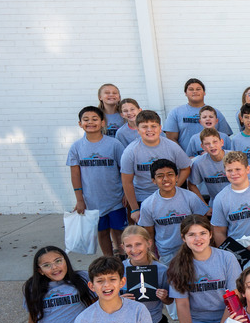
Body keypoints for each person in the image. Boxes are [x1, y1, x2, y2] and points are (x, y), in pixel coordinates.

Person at [167, 215, 238, 323]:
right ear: (183, 238)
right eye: (191, 234)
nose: (198, 239)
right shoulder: (177, 265)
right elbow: (182, 305)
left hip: (226, 318)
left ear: (210, 234)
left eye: (202, 233)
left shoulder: (227, 258)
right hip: (198, 321)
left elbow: (234, 299)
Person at [67, 106, 126, 257]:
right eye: (86, 120)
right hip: (92, 200)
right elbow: (75, 175)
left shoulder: (114, 144)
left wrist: (126, 193)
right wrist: (80, 200)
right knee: (102, 232)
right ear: (80, 124)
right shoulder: (76, 147)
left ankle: (123, 259)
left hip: (115, 199)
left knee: (120, 232)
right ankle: (109, 260)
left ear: (103, 122)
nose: (90, 122)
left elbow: (125, 171)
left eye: (95, 119)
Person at [120, 110, 192, 215]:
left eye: (153, 126)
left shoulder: (172, 147)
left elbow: (185, 168)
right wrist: (135, 209)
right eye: (144, 127)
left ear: (160, 128)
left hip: (170, 195)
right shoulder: (130, 151)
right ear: (138, 130)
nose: (149, 130)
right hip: (144, 196)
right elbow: (127, 181)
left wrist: (174, 186)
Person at [138, 159, 210, 263]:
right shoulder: (147, 205)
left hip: (192, 249)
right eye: (160, 176)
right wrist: (152, 259)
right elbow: (149, 234)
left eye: (170, 174)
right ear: (153, 180)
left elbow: (203, 225)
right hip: (166, 254)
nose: (166, 179)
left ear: (176, 177)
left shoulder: (191, 197)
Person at [120, 225, 172, 323]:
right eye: (129, 246)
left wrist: (164, 297)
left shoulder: (162, 270)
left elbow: (170, 300)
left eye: (138, 244)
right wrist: (118, 300)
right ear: (123, 247)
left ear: (149, 243)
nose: (134, 250)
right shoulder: (118, 270)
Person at [162, 78, 232, 150]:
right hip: (186, 155)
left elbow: (225, 138)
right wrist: (182, 155)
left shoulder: (215, 112)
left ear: (204, 92)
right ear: (185, 93)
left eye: (198, 89)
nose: (195, 91)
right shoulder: (175, 112)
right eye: (191, 89)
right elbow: (171, 138)